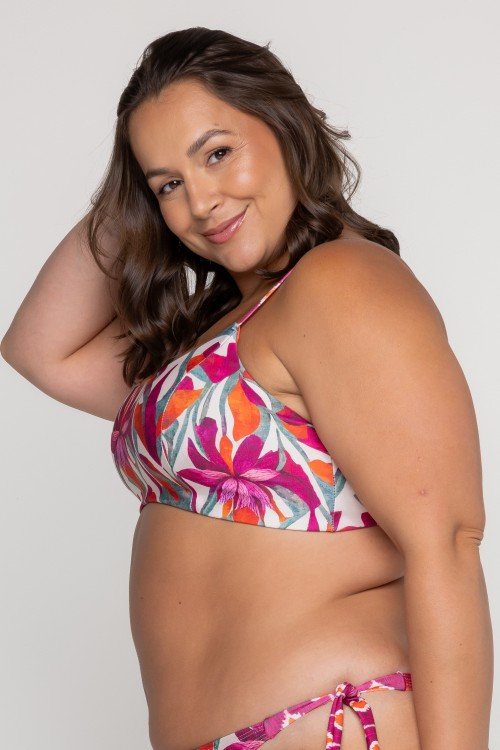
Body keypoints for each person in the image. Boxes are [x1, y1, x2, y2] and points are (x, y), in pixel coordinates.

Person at [1, 26, 493, 750]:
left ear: (283, 125)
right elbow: (40, 349)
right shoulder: (213, 337)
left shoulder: (342, 282)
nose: (202, 202)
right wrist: (138, 184)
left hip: (334, 720)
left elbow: (445, 542)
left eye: (217, 153)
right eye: (169, 185)